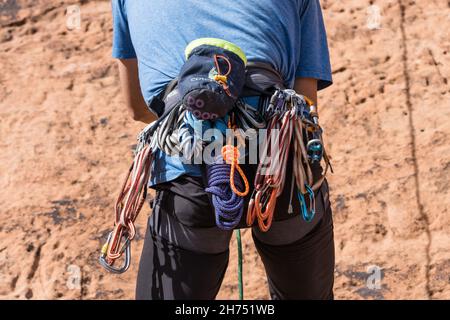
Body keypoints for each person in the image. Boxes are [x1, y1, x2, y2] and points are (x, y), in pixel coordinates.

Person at [111, 0, 334, 300]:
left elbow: (137, 108)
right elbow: (305, 106)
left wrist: (203, 125)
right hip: (280, 163)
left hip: (189, 169)